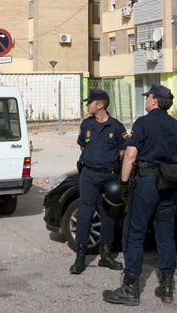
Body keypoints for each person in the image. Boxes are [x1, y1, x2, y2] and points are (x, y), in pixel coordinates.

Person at [103, 83, 177, 306]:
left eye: (148, 96)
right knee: (165, 232)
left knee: (134, 233)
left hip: (147, 181)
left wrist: (123, 183)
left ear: (155, 100)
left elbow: (130, 155)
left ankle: (130, 289)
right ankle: (167, 287)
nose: (146, 99)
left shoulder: (143, 122)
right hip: (168, 183)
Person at [70, 88, 127, 275]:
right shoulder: (86, 124)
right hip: (88, 174)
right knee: (85, 213)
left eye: (90, 102)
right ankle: (80, 257)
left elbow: (123, 151)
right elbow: (82, 144)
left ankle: (106, 254)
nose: (87, 105)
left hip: (108, 176)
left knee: (108, 214)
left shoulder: (117, 127)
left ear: (100, 105)